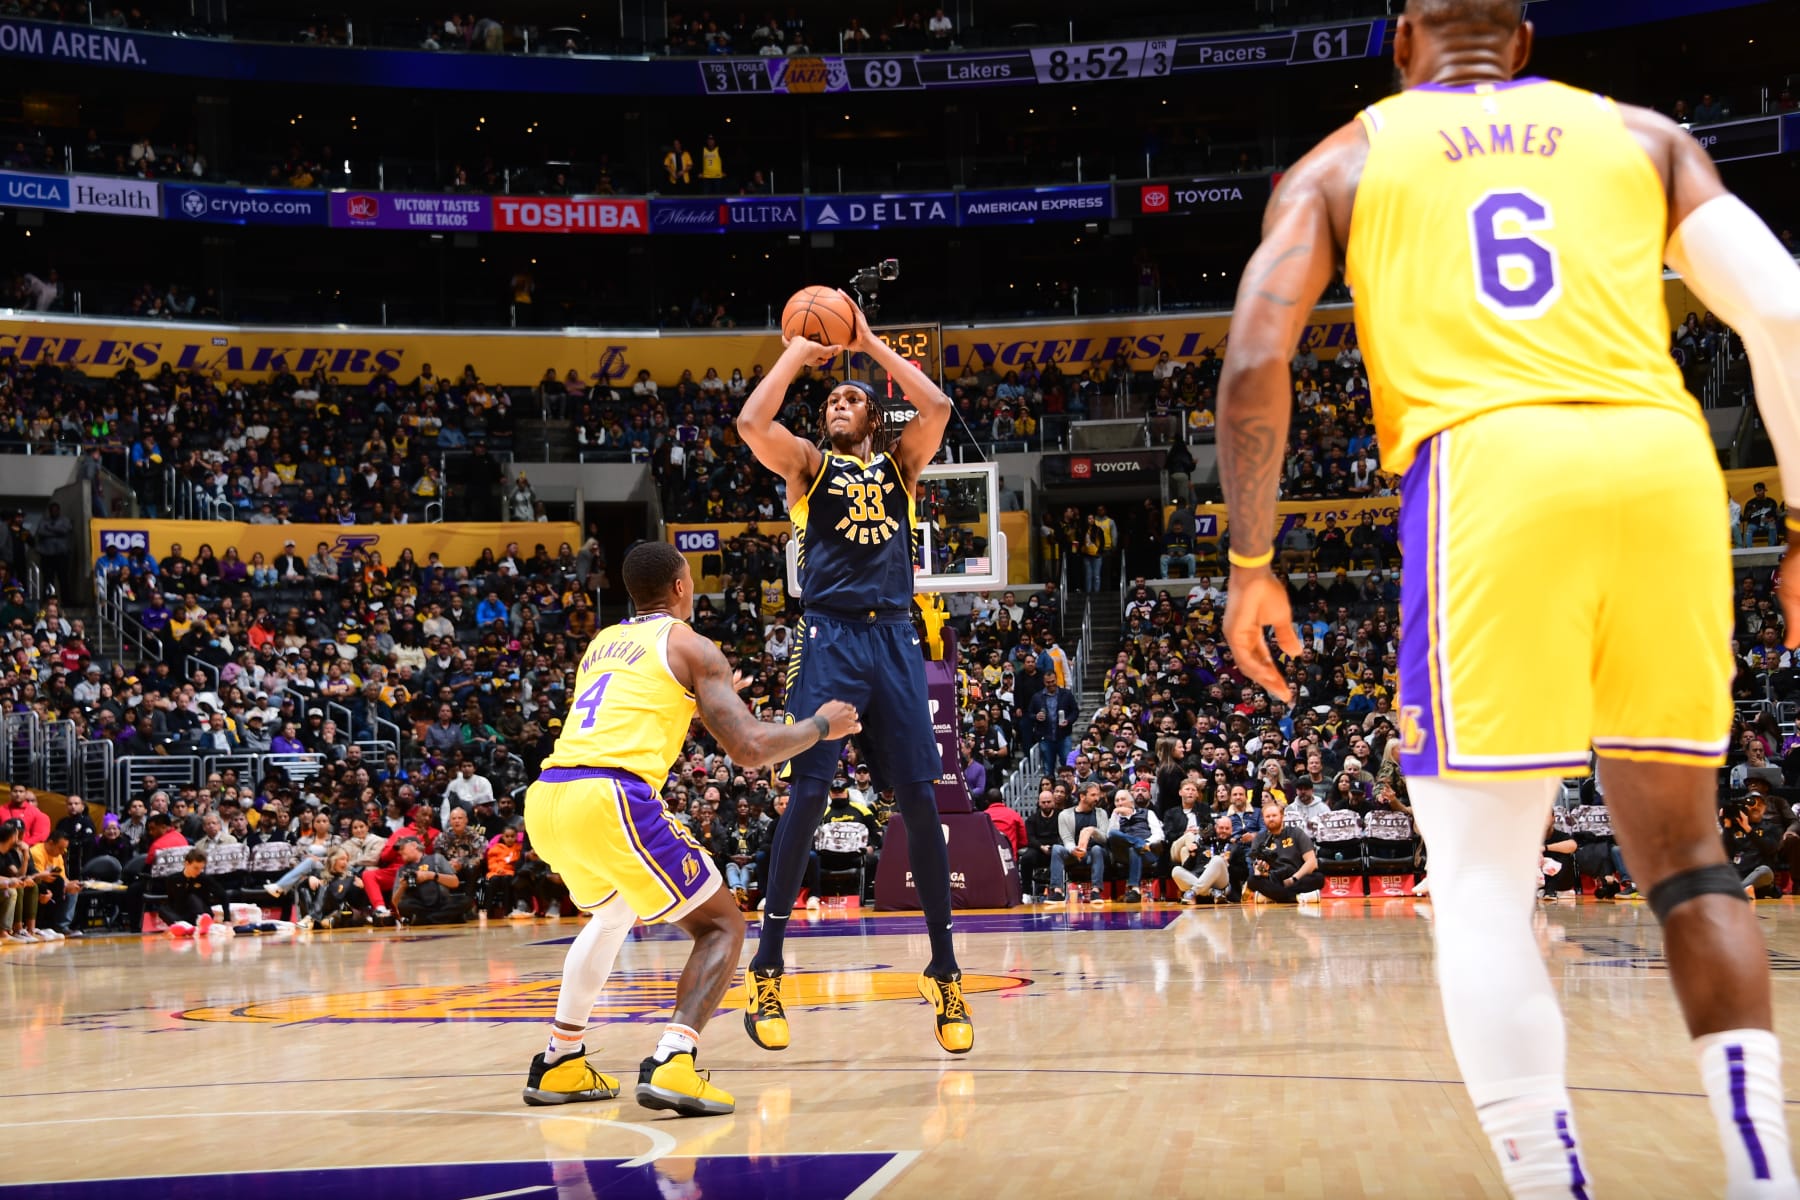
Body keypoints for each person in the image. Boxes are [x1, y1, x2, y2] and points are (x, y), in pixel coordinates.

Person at [1215, 2, 1800, 1192]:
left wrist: (1251, 562)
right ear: (1522, 44)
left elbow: (1251, 362)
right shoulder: (1641, 137)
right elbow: (1784, 308)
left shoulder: (1349, 158)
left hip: (1491, 467)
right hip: (1661, 461)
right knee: (1690, 860)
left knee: (1480, 883)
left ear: (1401, 43)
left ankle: (1553, 1183)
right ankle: (1767, 1178)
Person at [520, 541, 860, 1116]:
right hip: (611, 795)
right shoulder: (693, 646)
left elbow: (636, 708)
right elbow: (750, 748)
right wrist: (821, 725)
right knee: (722, 925)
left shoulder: (601, 644)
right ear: (681, 587)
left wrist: (714, 699)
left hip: (549, 797)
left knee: (612, 914)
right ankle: (675, 1060)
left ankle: (560, 1061)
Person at [736, 291, 973, 1055]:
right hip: (830, 639)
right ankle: (767, 965)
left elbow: (935, 407)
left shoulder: (901, 469)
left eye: (851, 400)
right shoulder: (809, 467)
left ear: (873, 418)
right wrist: (798, 354)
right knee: (807, 796)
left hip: (897, 642)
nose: (838, 403)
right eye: (832, 399)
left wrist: (868, 346)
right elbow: (750, 424)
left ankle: (943, 968)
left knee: (921, 805)